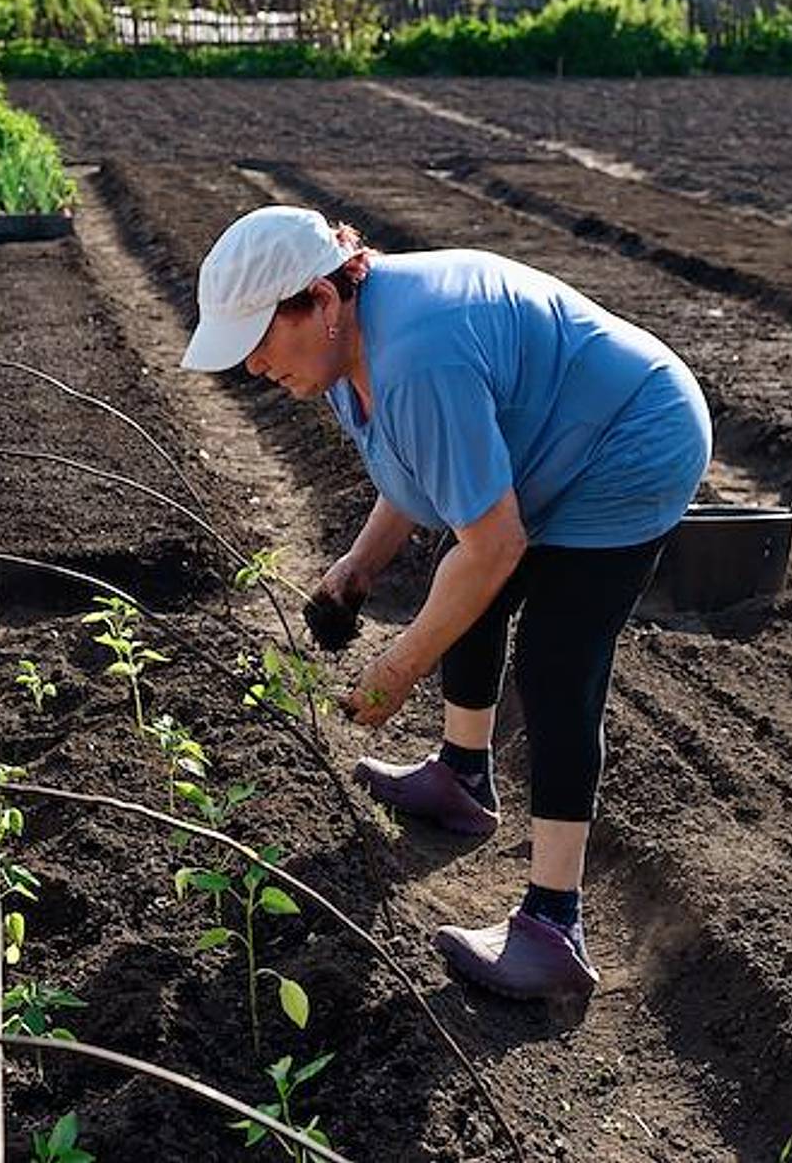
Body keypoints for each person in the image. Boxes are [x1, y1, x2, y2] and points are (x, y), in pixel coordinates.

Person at [180, 205, 711, 1001]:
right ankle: (463, 780)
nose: (253, 367)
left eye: (258, 340)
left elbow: (493, 543)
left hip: (632, 443)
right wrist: (357, 568)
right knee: (467, 582)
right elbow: (420, 468)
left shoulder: (416, 353)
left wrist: (398, 668)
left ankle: (553, 928)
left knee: (557, 663)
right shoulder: (342, 350)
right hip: (552, 437)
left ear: (321, 302)